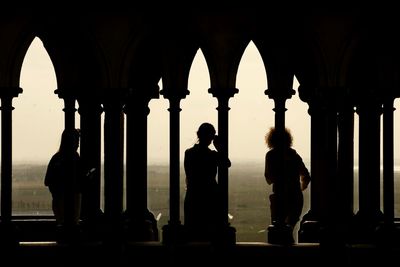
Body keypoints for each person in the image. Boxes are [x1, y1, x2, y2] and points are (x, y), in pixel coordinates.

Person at [183, 122, 231, 242]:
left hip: (193, 194)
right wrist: (220, 148)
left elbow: (189, 175)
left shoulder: (189, 153)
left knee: (193, 233)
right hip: (210, 195)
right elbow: (227, 163)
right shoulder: (212, 155)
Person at [264, 127, 311, 243]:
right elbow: (306, 175)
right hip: (295, 195)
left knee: (278, 231)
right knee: (289, 229)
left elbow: (269, 179)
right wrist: (301, 187)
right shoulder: (294, 155)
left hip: (279, 196)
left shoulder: (271, 155)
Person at [44, 128, 87, 241]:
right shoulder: (75, 159)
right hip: (68, 201)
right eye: (76, 141)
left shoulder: (56, 158)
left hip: (60, 202)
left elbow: (47, 181)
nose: (78, 145)